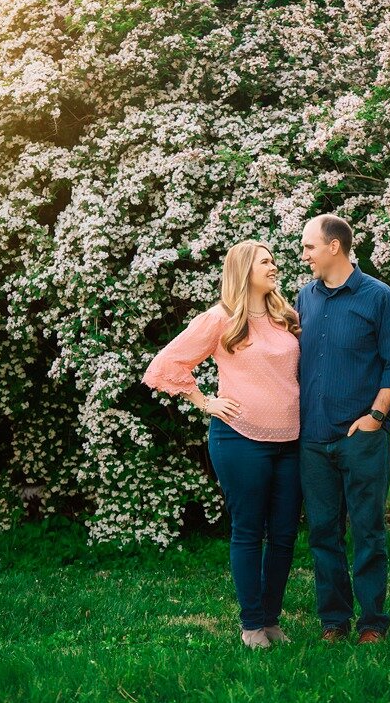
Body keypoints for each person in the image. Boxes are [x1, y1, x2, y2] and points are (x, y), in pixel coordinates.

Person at [142, 240, 302, 650]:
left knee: (284, 535)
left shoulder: (285, 316)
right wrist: (204, 401)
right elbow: (165, 364)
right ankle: (251, 625)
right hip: (239, 438)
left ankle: (271, 619)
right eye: (266, 261)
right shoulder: (221, 318)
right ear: (244, 269)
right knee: (249, 531)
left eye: (273, 260)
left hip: (290, 441)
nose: (274, 266)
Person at [296, 214, 390, 644]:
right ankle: (333, 621)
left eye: (309, 246)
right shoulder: (303, 297)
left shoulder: (378, 297)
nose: (304, 254)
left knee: (368, 531)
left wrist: (376, 418)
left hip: (361, 437)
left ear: (334, 247)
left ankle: (372, 623)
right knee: (324, 534)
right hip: (312, 439)